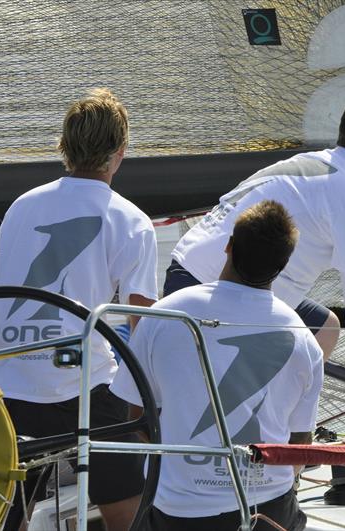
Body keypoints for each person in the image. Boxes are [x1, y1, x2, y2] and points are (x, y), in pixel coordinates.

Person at [165, 87, 345, 441]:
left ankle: (281, 430)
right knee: (205, 412)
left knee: (324, 327)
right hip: (214, 291)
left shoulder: (318, 163)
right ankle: (271, 440)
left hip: (190, 271)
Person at [0, 88, 157, 531]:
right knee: (127, 511)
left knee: (7, 512)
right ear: (120, 152)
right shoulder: (131, 220)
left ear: (64, 146)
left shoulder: (22, 207)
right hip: (85, 383)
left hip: (13, 381)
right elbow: (145, 325)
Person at [111, 200, 323, 531]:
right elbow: (299, 447)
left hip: (179, 513)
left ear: (228, 246)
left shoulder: (163, 316)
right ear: (282, 267)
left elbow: (136, 417)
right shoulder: (303, 339)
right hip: (269, 510)